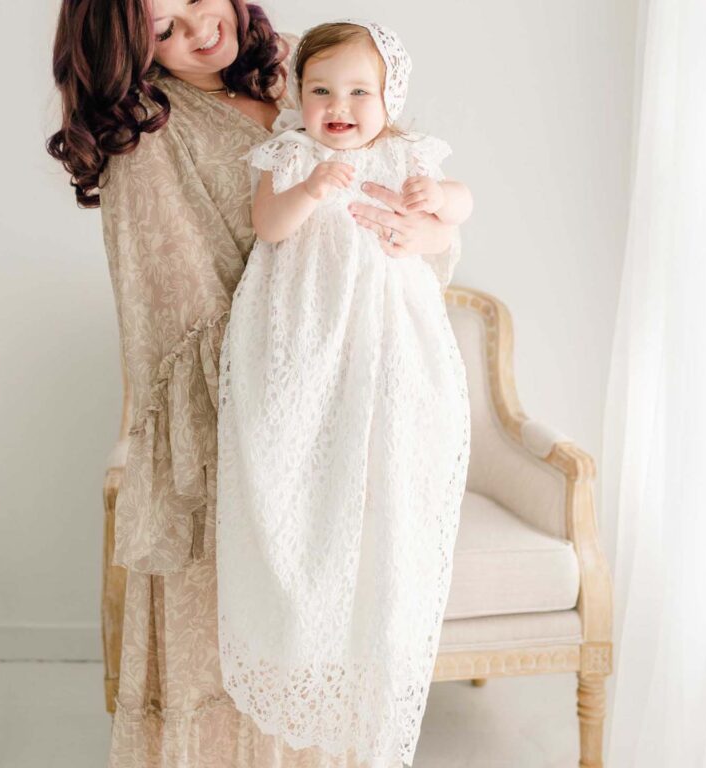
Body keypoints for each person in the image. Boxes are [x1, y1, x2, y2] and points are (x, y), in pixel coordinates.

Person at [46, 1, 461, 765]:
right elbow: (174, 310)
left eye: (197, 2)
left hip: (360, 396)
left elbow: (406, 194)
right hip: (245, 416)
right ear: (130, 53)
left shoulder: (300, 68)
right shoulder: (154, 133)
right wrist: (282, 395)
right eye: (162, 31)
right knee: (243, 640)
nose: (197, 32)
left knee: (329, 626)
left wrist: (429, 228)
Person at [215, 20, 472, 767]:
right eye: (321, 89)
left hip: (386, 332)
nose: (341, 105)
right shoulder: (291, 153)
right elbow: (268, 226)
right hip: (306, 327)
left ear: (390, 96)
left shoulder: (406, 155)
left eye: (361, 90)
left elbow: (458, 208)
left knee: (388, 425)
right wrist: (309, 189)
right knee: (300, 439)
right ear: (297, 96)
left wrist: (440, 200)